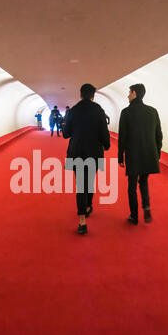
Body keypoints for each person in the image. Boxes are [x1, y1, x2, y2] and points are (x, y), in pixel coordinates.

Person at [63, 84, 110, 235]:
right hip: (94, 152)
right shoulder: (99, 110)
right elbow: (104, 132)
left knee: (80, 185)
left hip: (77, 152)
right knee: (89, 181)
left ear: (80, 95)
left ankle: (82, 221)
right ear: (93, 96)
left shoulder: (73, 111)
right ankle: (88, 205)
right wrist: (107, 145)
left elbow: (65, 134)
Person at [118, 84, 163, 225]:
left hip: (133, 155)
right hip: (149, 154)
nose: (128, 95)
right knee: (143, 182)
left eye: (129, 93)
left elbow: (122, 137)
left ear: (135, 93)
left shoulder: (126, 112)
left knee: (132, 185)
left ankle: (134, 216)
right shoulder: (153, 111)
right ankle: (147, 206)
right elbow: (159, 136)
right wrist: (157, 153)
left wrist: (120, 156)